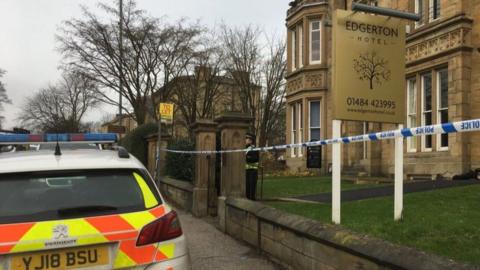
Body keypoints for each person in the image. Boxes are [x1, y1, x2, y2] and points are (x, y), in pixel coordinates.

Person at [245, 132, 259, 200]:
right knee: (247, 186)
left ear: (251, 141)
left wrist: (246, 158)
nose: (245, 140)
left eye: (246, 139)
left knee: (251, 187)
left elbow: (255, 159)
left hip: (253, 171)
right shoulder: (246, 148)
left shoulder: (253, 149)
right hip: (247, 171)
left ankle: (252, 200)